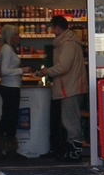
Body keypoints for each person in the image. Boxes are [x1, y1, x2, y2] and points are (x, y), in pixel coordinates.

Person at [33, 15, 88, 162]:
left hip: (70, 88)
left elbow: (63, 67)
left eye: (52, 27)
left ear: (57, 27)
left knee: (71, 121)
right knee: (69, 121)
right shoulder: (67, 42)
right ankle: (70, 150)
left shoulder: (67, 44)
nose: (51, 30)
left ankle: (74, 152)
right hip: (69, 86)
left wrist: (47, 71)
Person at [0, 24, 31, 159]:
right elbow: (4, 70)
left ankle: (0, 148)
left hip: (9, 87)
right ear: (10, 36)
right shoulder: (7, 49)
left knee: (7, 118)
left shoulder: (7, 48)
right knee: (10, 118)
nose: (19, 37)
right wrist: (22, 70)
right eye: (16, 34)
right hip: (10, 88)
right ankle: (9, 150)